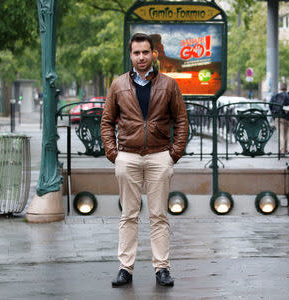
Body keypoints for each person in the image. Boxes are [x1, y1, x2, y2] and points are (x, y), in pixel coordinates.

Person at [101, 33, 189, 287]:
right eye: (136, 52)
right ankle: (125, 268)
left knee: (158, 215)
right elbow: (107, 122)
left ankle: (162, 268)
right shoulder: (118, 85)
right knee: (128, 215)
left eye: (145, 52)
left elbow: (181, 120)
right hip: (127, 156)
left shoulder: (169, 85)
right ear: (130, 55)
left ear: (154, 54)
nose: (141, 57)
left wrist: (174, 153)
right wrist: (113, 153)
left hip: (160, 155)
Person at [270, 83, 289, 154]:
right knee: (286, 135)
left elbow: (270, 105)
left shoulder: (275, 96)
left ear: (280, 88)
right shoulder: (288, 96)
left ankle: (281, 150)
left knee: (281, 134)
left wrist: (274, 115)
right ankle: (285, 149)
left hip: (278, 117)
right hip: (286, 118)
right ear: (286, 88)